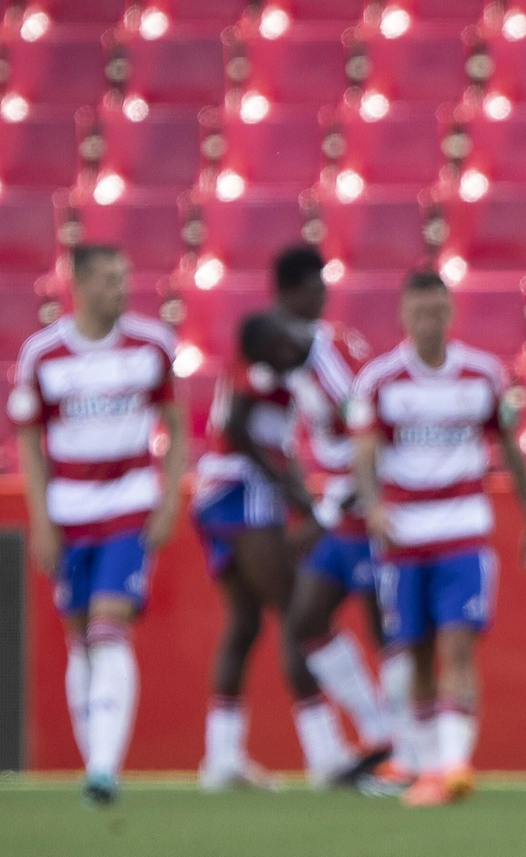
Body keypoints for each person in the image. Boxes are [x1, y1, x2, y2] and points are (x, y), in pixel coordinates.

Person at [348, 270, 526, 807]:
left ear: (450, 313)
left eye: (437, 312)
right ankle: (426, 762)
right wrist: (373, 508)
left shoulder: (481, 375)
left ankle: (453, 764)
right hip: (404, 538)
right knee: (414, 654)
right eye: (419, 313)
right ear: (403, 317)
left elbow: (508, 448)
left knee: (458, 646)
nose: (429, 322)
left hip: (463, 530)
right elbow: (364, 452)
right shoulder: (380, 380)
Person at [10, 244, 188, 806]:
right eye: (110, 280)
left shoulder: (153, 345)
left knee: (111, 624)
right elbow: (30, 443)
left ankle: (105, 765)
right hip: (68, 511)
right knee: (80, 637)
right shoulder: (42, 354)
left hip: (128, 503)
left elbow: (179, 427)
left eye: (124, 277)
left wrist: (167, 501)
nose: (121, 289)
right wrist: (39, 517)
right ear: (79, 286)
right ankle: (97, 762)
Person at [192, 309, 355, 790]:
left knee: (242, 624)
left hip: (216, 493)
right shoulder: (261, 363)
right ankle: (325, 753)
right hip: (241, 495)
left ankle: (221, 757)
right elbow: (239, 426)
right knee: (294, 611)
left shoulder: (259, 356)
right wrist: (288, 488)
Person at [275, 246, 400, 782]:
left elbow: (371, 441)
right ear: (290, 293)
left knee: (385, 628)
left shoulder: (332, 354)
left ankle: (403, 749)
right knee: (305, 620)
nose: (324, 297)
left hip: (364, 504)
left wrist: (325, 512)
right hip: (338, 507)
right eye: (315, 287)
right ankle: (380, 730)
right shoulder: (289, 354)